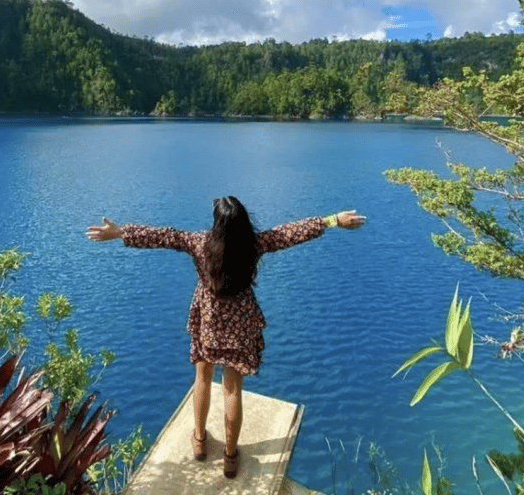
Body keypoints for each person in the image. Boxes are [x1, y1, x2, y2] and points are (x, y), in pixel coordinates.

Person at [86, 196, 365, 479]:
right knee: (232, 390)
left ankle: (199, 441)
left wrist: (121, 232)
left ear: (217, 224)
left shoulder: (200, 243)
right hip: (240, 323)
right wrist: (332, 220)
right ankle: (230, 457)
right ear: (243, 221)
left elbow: (165, 236)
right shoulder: (253, 244)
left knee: (202, 377)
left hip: (208, 321)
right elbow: (289, 233)